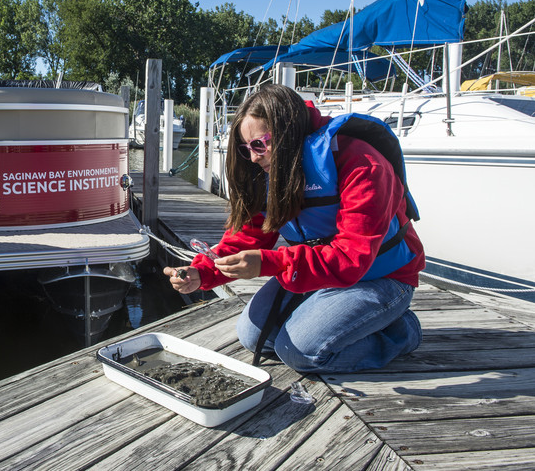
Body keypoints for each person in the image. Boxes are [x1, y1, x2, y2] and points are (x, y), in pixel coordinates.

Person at [164, 84, 424, 374]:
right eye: (246, 148)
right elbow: (249, 235)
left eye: (259, 145)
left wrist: (270, 263)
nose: (253, 157)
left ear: (287, 133)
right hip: (321, 273)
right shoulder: (269, 171)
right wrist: (202, 272)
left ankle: (402, 332)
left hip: (381, 278)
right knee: (254, 337)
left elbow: (351, 258)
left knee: (301, 352)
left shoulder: (362, 163)